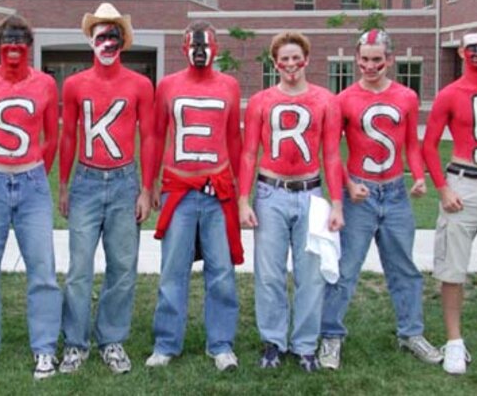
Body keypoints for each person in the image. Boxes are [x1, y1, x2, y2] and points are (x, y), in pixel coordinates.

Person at [319, 29, 442, 369]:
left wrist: (418, 176)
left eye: (377, 59)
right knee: (345, 270)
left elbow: (412, 145)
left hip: (395, 192)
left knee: (404, 268)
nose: (370, 65)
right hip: (360, 193)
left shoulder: (406, 96)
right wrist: (347, 184)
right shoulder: (343, 99)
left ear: (389, 60)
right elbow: (331, 151)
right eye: (365, 59)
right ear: (356, 59)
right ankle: (330, 336)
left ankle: (411, 332)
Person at [0, 14, 62, 380]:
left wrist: (36, 171)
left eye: (21, 41)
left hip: (32, 181)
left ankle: (45, 349)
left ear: (29, 46)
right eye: (8, 41)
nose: (14, 49)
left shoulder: (46, 84)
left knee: (43, 271)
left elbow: (52, 137)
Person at [58, 3, 154, 375]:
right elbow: (68, 136)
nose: (108, 41)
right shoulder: (75, 83)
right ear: (91, 40)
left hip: (123, 181)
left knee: (123, 267)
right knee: (79, 268)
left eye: (114, 35)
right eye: (101, 35)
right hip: (85, 180)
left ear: (123, 42)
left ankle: (112, 339)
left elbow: (149, 137)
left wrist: (146, 188)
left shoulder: (140, 84)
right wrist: (64, 185)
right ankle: (76, 343)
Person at [238, 32, 343, 372]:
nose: (291, 65)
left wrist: (337, 203)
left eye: (296, 58)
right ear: (275, 63)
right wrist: (243, 199)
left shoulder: (325, 99)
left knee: (309, 274)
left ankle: (305, 345)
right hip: (270, 192)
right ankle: (273, 340)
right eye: (284, 59)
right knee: (269, 274)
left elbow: (331, 155)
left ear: (306, 59)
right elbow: (250, 152)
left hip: (310, 192)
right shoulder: (261, 100)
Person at [145, 20, 243, 371]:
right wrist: (149, 184)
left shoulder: (229, 85)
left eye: (206, 45)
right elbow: (155, 135)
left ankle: (220, 344)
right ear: (183, 48)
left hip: (217, 191)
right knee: (173, 271)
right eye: (193, 45)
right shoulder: (169, 85)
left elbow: (235, 142)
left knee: (221, 271)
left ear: (217, 48)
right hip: (179, 189)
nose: (200, 51)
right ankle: (167, 342)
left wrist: (241, 192)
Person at [422, 30, 477, 375]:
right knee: (452, 267)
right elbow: (428, 145)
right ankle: (454, 341)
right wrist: (443, 189)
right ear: (460, 52)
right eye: (471, 48)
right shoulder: (449, 94)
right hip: (462, 181)